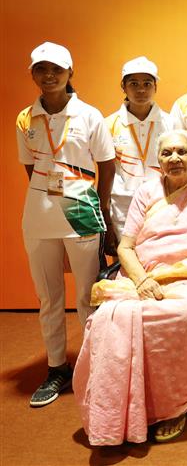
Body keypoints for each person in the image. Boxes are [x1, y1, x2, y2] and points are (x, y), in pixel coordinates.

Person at [74, 130, 187, 445]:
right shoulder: (146, 192)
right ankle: (119, 410)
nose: (174, 159)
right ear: (159, 160)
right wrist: (141, 280)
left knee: (181, 316)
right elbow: (126, 248)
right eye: (167, 153)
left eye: (182, 152)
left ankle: (172, 408)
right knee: (105, 319)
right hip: (144, 276)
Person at [16, 42, 116, 407]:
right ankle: (57, 367)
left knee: (88, 297)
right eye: (41, 69)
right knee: (49, 298)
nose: (49, 76)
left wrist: (100, 208)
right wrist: (48, 196)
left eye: (56, 69)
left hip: (83, 211)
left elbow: (107, 165)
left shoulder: (90, 115)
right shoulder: (25, 118)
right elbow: (31, 169)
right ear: (33, 74)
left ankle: (95, 366)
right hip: (39, 216)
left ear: (70, 73)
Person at [106, 56, 172, 238]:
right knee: (125, 262)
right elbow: (106, 171)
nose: (141, 89)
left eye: (147, 83)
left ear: (155, 86)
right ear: (123, 86)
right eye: (134, 84)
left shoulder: (170, 123)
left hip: (163, 203)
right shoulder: (109, 124)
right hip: (122, 207)